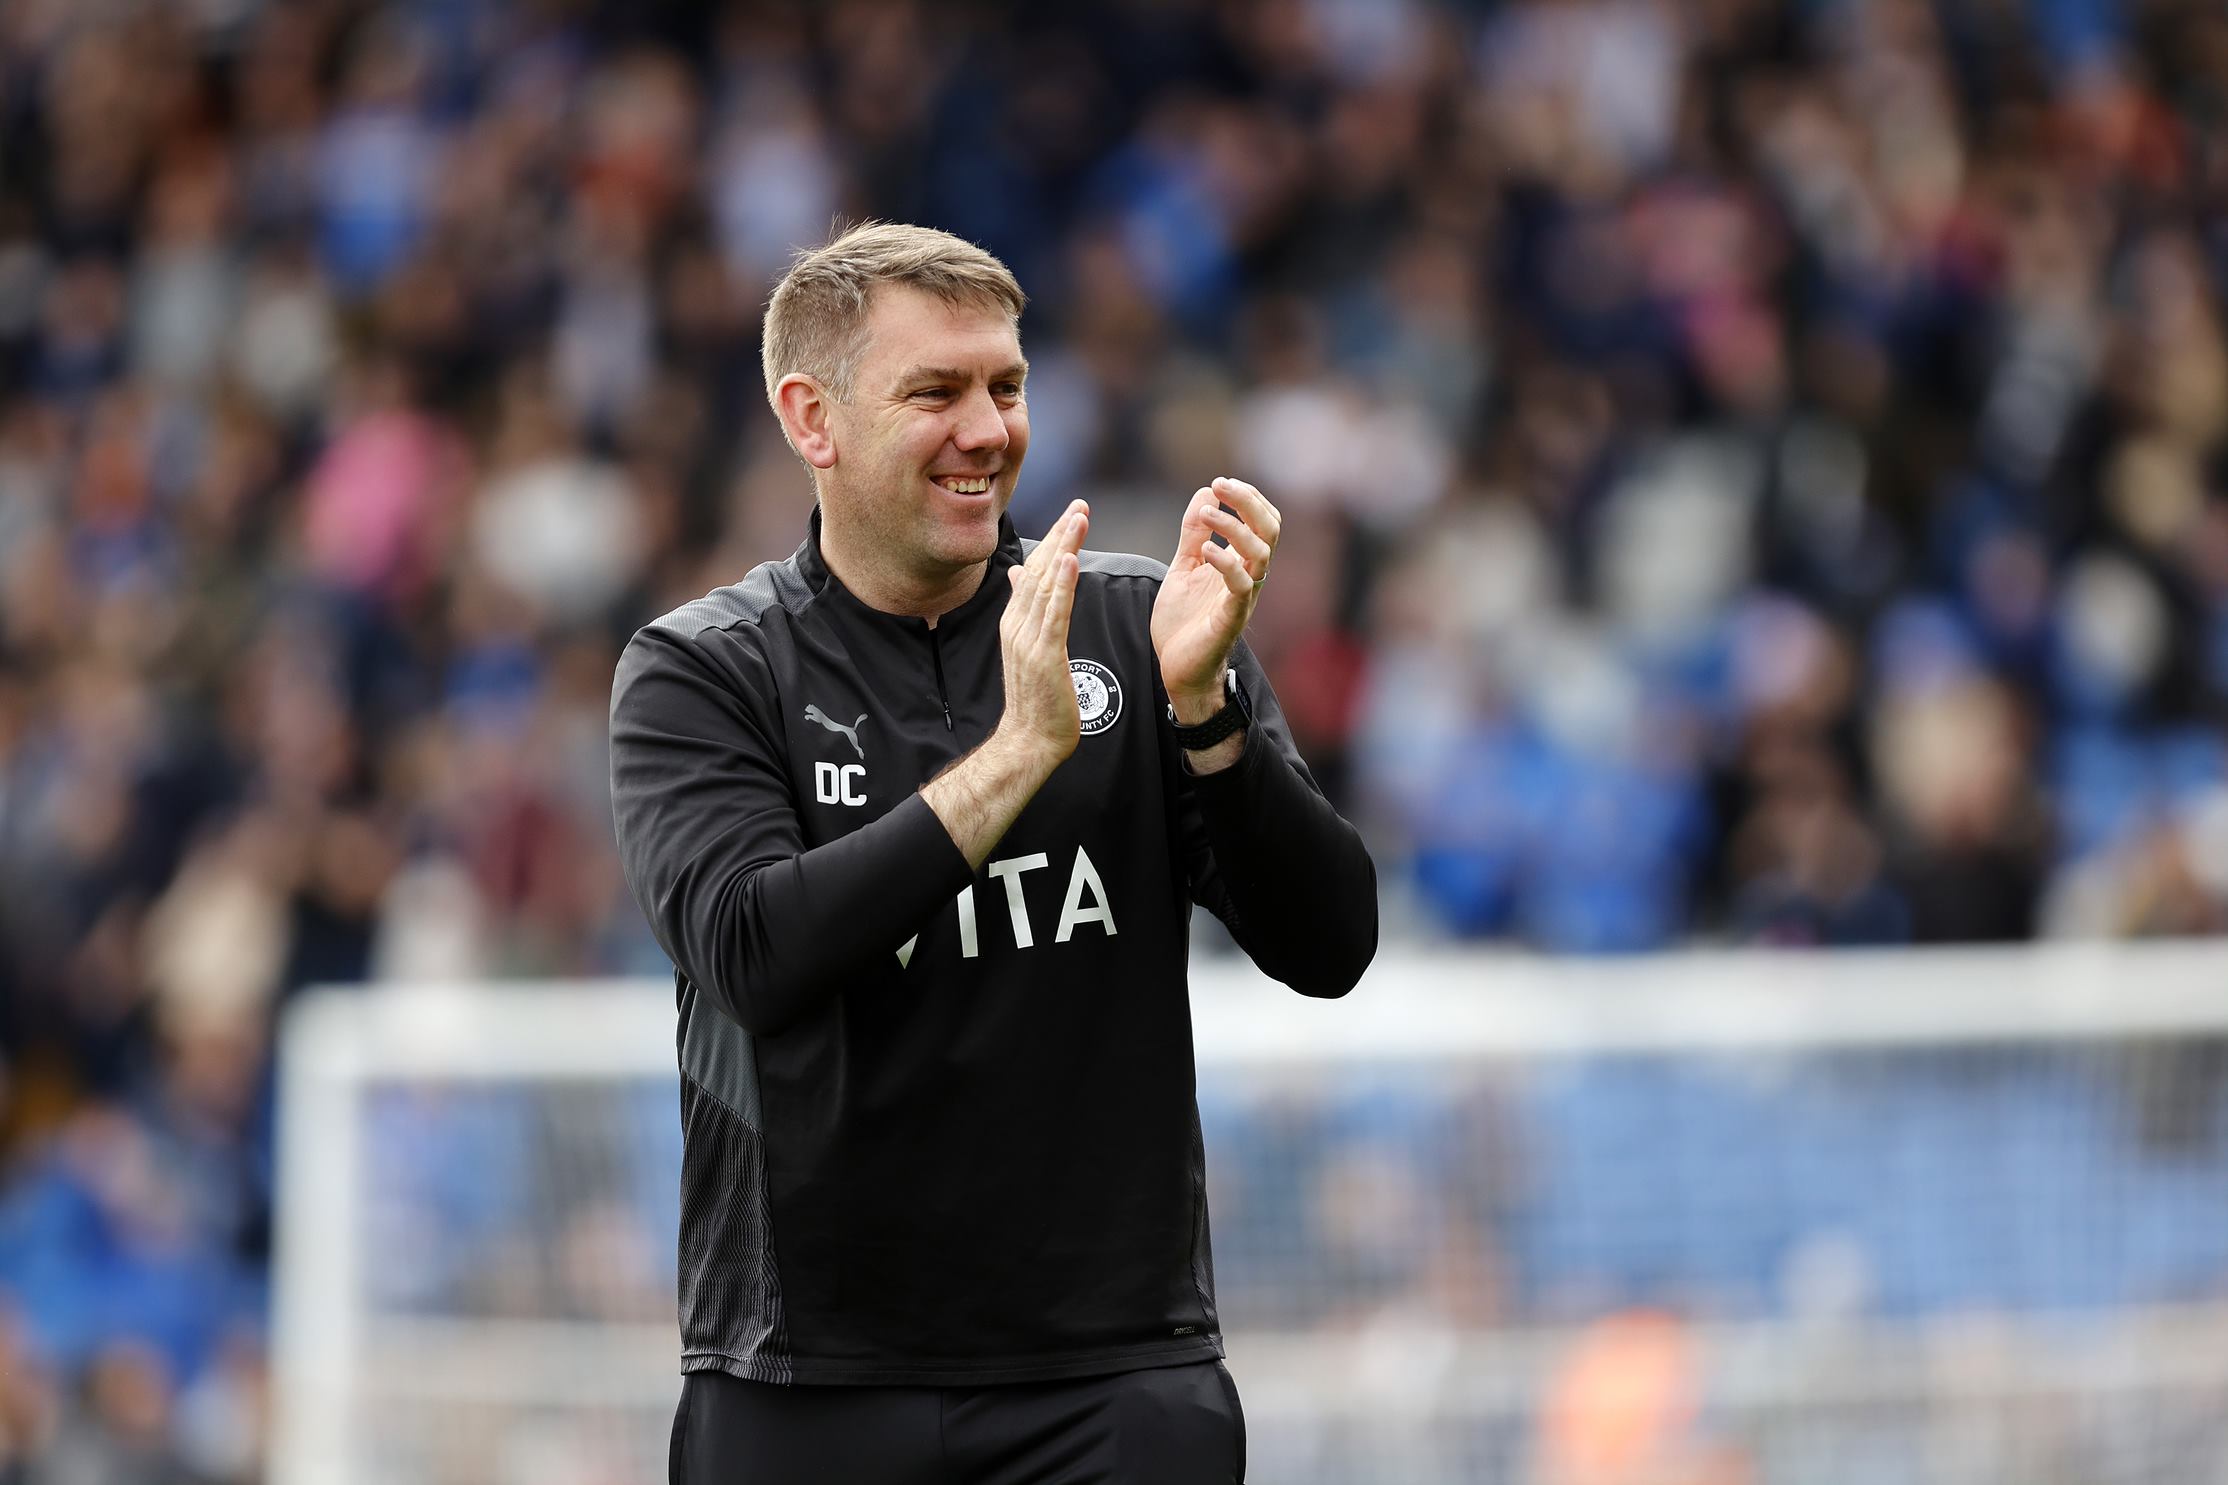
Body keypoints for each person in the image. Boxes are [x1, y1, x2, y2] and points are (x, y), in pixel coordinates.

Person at [609, 222, 1377, 1485]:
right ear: (813, 417)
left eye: (1005, 387)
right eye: (935, 392)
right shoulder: (705, 670)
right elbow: (754, 952)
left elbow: (1330, 945)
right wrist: (1023, 752)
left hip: (1114, 1382)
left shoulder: (1145, 630)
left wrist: (1205, 714)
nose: (987, 429)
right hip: (807, 1387)